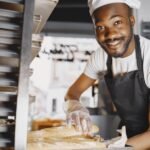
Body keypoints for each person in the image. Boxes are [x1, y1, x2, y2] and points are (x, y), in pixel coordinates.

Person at [64, 0, 150, 140]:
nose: (110, 35)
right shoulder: (101, 57)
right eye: (100, 27)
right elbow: (71, 93)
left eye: (117, 22)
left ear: (131, 20)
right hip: (126, 138)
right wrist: (76, 107)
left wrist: (108, 147)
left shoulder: (148, 57)